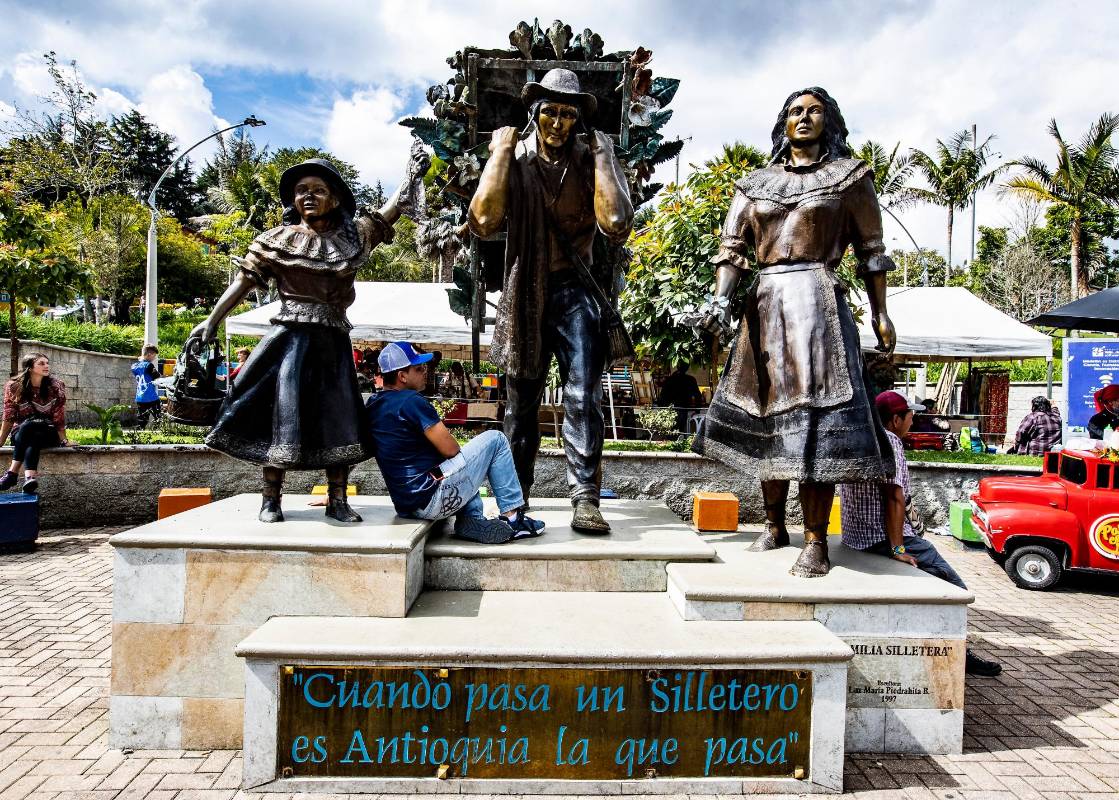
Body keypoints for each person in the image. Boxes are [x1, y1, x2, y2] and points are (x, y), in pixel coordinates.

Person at [690, 87, 896, 577]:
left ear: (830, 120)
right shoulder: (754, 183)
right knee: (766, 418)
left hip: (817, 303)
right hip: (764, 304)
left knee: (813, 424)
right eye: (794, 111)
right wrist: (720, 300)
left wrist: (880, 312)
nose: (804, 118)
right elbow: (731, 250)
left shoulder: (849, 178)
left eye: (814, 111)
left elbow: (872, 249)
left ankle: (816, 540)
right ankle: (774, 525)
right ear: (782, 122)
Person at [188, 152, 427, 523]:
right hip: (289, 341)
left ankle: (338, 500)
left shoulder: (354, 237)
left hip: (332, 342)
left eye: (319, 189)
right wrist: (212, 321)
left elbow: (388, 213)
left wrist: (411, 174)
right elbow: (243, 281)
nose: (309, 196)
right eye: (301, 191)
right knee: (281, 415)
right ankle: (271, 499)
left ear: (335, 199)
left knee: (339, 417)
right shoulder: (276, 239)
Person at [469, 68, 634, 533]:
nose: (558, 123)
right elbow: (482, 221)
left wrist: (603, 156)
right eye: (550, 113)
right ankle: (514, 500)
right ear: (534, 115)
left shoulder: (590, 159)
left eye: (567, 114)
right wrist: (500, 152)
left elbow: (616, 222)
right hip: (525, 291)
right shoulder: (515, 161)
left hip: (575, 290)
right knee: (520, 404)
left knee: (584, 395)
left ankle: (585, 498)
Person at [840, 390, 1002, 677]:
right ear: (895, 419)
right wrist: (899, 549)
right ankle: (959, 654)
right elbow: (894, 497)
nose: (913, 421)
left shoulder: (858, 437)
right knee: (955, 588)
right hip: (883, 538)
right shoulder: (888, 442)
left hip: (857, 536)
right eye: (910, 415)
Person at [366, 341, 544, 542]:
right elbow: (450, 449)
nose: (425, 371)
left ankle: (472, 517)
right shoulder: (411, 401)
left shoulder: (374, 403)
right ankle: (513, 519)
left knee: (458, 464)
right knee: (496, 440)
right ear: (402, 376)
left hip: (407, 506)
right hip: (434, 500)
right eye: (418, 368)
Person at [0, 354, 69, 494]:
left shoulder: (55, 386)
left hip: (48, 432)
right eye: (41, 363)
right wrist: (0, 441)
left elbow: (58, 416)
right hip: (21, 435)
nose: (46, 366)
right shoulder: (14, 387)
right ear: (30, 367)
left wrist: (64, 440)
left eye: (47, 363)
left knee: (30, 425)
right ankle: (30, 478)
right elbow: (9, 415)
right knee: (30, 430)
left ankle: (12, 473)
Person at [656, 363, 704, 433]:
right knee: (680, 432)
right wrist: (697, 410)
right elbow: (698, 396)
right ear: (687, 368)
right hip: (682, 408)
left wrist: (661, 409)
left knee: (670, 432)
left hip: (670, 409)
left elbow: (662, 396)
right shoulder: (690, 379)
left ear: (677, 367)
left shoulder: (669, 379)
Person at [131, 345, 162, 428]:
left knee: (142, 419)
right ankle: (158, 429)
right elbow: (157, 376)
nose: (154, 358)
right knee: (158, 415)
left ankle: (141, 430)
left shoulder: (134, 366)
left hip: (140, 397)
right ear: (149, 354)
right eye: (154, 356)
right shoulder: (149, 365)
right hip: (151, 396)